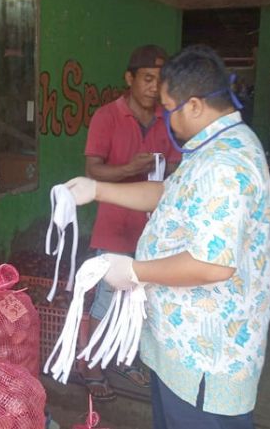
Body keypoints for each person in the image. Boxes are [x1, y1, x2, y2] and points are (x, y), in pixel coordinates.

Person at [67, 45, 270, 428]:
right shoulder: (212, 148)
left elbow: (211, 266)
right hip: (182, 351)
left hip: (206, 360)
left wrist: (134, 271)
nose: (166, 121)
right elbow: (168, 193)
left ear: (194, 106)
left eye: (169, 109)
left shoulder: (224, 165)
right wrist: (97, 190)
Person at [79, 44, 181, 401]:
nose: (154, 87)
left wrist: (165, 170)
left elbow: (173, 167)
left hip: (153, 228)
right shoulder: (107, 116)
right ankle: (89, 364)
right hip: (114, 224)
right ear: (130, 78)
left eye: (160, 80)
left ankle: (123, 357)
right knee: (107, 297)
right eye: (148, 79)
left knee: (142, 297)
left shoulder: (167, 120)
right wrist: (129, 169)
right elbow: (93, 170)